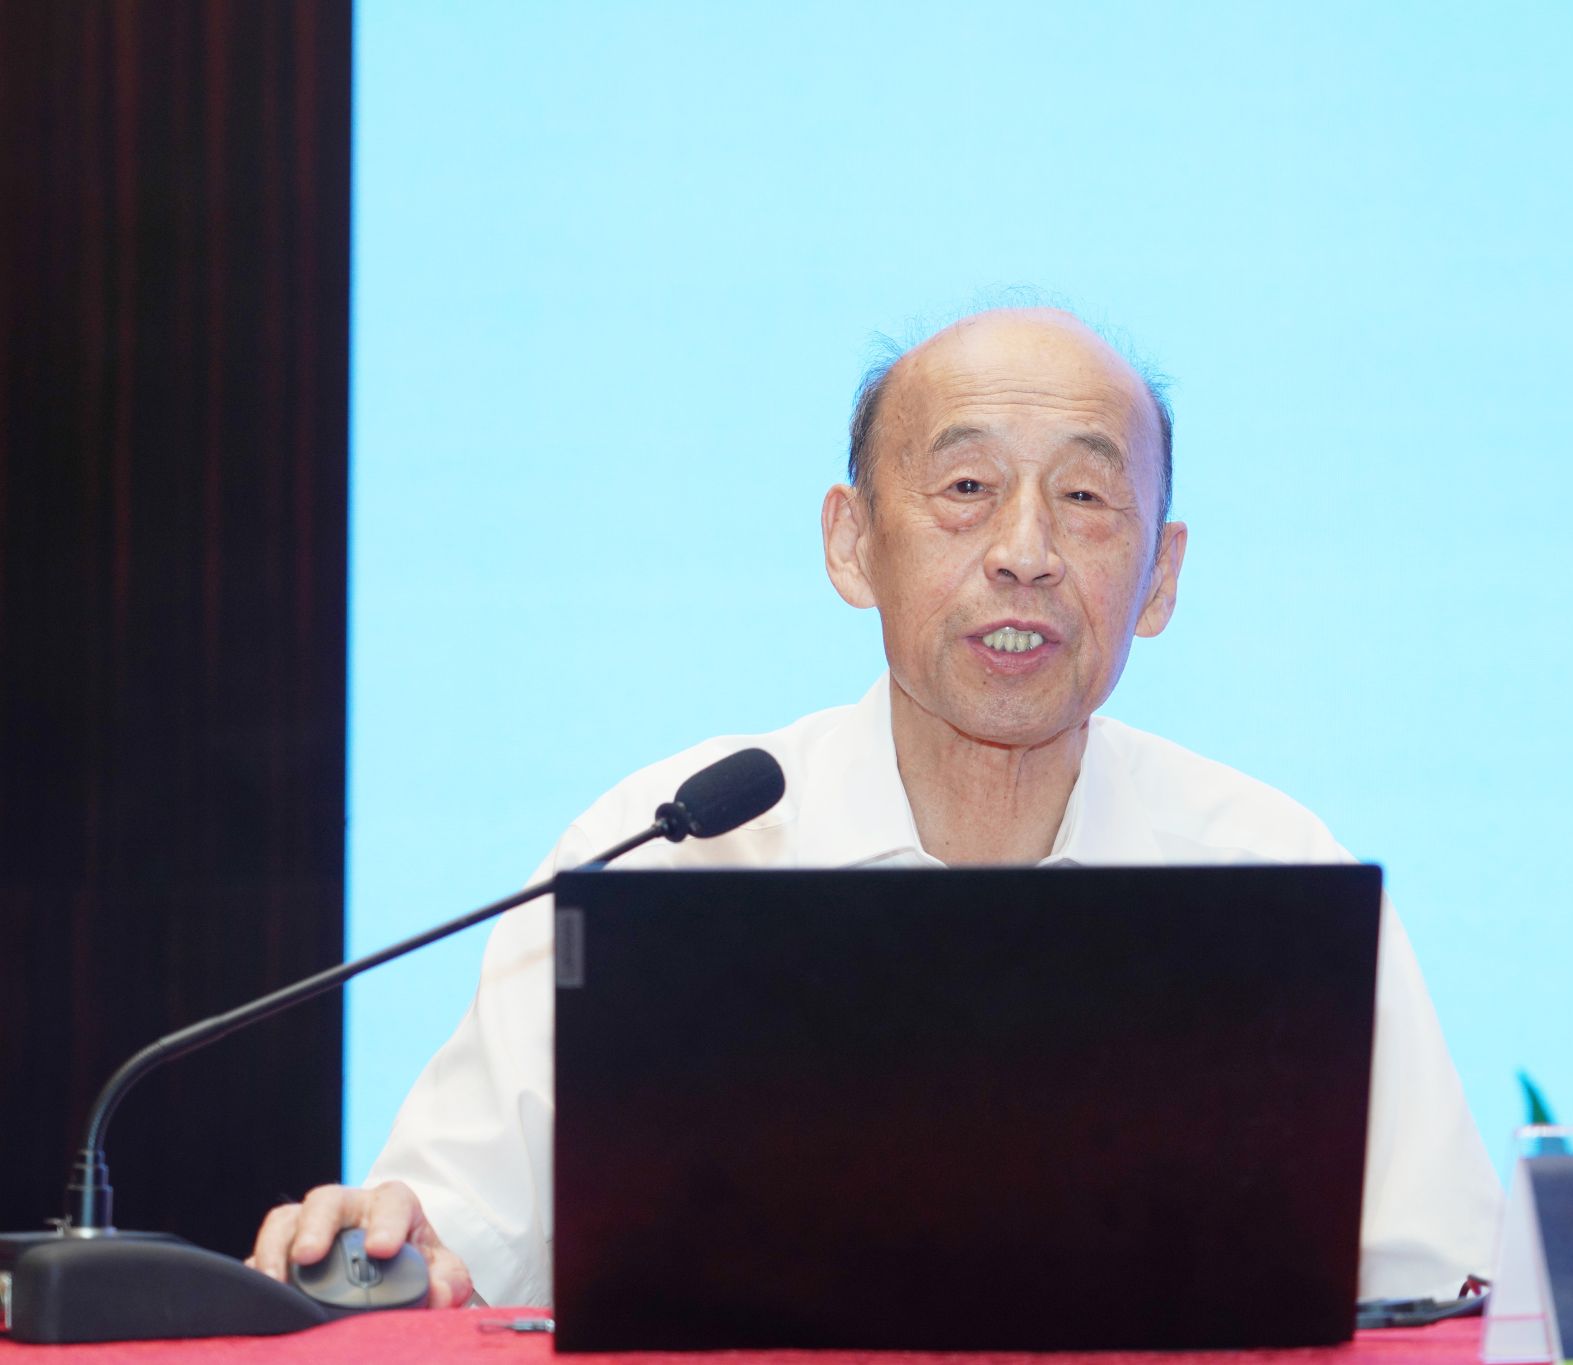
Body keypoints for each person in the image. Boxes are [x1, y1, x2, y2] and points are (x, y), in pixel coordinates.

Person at [248, 308, 1502, 1309]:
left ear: (1159, 577)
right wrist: (395, 1251)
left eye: (1083, 498)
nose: (1024, 551)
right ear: (850, 544)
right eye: (965, 488)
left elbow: (1439, 1291)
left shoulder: (1270, 875)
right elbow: (452, 1241)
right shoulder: (671, 855)